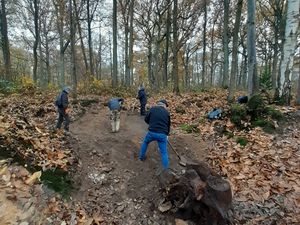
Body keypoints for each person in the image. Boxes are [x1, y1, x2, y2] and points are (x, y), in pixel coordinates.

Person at [139, 99, 171, 170]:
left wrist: (151, 124)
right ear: (164, 105)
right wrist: (167, 135)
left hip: (152, 133)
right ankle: (166, 169)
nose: (166, 107)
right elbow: (168, 125)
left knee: (145, 142)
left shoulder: (152, 109)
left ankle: (141, 157)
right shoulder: (167, 113)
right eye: (166, 106)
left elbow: (146, 119)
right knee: (164, 152)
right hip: (162, 135)